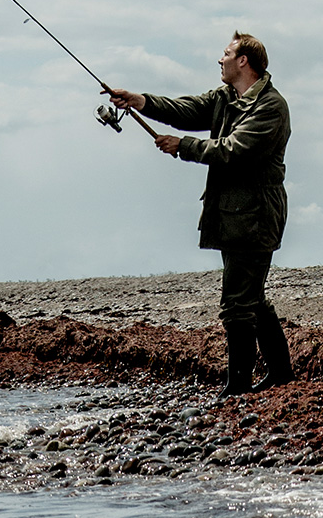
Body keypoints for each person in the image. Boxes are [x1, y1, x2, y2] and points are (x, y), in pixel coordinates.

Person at [102, 31, 295, 397]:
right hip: (233, 214)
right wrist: (140, 101)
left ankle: (238, 386)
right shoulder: (225, 97)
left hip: (256, 216)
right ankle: (281, 375)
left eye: (226, 54)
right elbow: (184, 110)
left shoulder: (271, 106)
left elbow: (235, 151)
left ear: (243, 61)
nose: (220, 60)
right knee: (251, 298)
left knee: (238, 304)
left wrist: (183, 146)